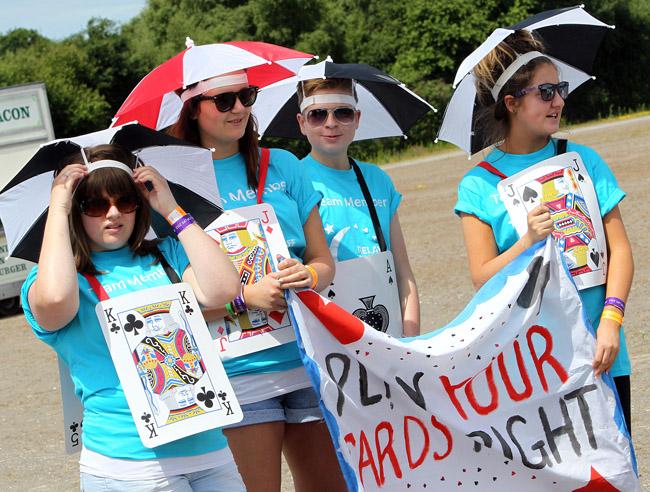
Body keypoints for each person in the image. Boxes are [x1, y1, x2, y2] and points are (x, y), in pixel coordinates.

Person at [21, 144, 245, 490]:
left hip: (211, 450)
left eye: (124, 201)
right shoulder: (59, 281)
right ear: (75, 213)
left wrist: (171, 209)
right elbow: (53, 301)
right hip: (129, 464)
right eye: (95, 205)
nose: (113, 214)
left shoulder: (168, 253)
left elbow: (224, 289)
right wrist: (59, 205)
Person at [169, 71, 345, 491]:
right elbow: (175, 300)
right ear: (193, 109)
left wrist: (309, 275)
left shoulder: (282, 164)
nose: (241, 108)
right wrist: (246, 297)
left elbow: (323, 261)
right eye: (225, 100)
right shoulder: (171, 186)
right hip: (238, 374)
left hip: (309, 359)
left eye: (247, 96)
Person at [454, 32, 634, 430]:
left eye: (560, 89)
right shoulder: (479, 184)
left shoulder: (583, 159)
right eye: (546, 91)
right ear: (512, 103)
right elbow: (482, 276)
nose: (559, 101)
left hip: (604, 352)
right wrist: (526, 241)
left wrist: (611, 321)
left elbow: (619, 250)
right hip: (534, 364)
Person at [296, 77, 420, 336]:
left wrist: (411, 337)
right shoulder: (294, 180)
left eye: (343, 113)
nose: (331, 123)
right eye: (317, 115)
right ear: (302, 123)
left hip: (388, 335)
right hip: (329, 337)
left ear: (357, 118)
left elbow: (403, 272)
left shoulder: (377, 179)